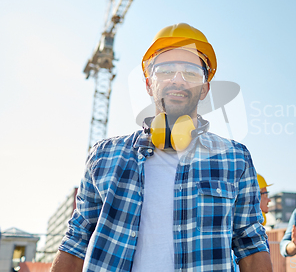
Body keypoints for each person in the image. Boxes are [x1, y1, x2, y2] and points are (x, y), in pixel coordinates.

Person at [51, 23, 272, 272]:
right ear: (148, 84)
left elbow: (251, 246)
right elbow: (76, 242)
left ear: (204, 89)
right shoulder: (104, 156)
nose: (177, 80)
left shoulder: (234, 159)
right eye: (166, 70)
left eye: (190, 73)